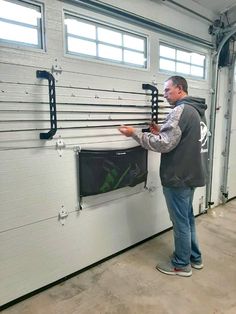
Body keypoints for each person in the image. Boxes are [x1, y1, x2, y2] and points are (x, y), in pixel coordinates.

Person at [118, 75, 208, 277]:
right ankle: (195, 258)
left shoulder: (180, 110)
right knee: (187, 219)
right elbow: (183, 137)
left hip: (178, 177)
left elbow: (164, 144)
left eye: (167, 90)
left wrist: (134, 133)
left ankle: (181, 265)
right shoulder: (196, 111)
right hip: (192, 174)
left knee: (180, 222)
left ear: (179, 89)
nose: (164, 94)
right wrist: (161, 130)